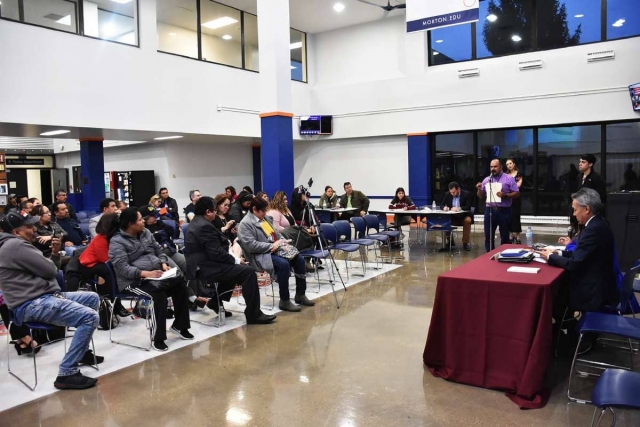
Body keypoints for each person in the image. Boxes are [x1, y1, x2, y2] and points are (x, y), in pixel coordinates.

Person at [0, 211, 103, 390]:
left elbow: (50, 268)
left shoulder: (14, 245)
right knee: (89, 317)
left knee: (91, 298)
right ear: (16, 232)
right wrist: (51, 261)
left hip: (41, 297)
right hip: (32, 303)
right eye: (29, 227)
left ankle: (81, 352)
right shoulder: (16, 246)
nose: (34, 230)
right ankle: (67, 372)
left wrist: (54, 252)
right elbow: (50, 270)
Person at [536, 189, 619, 351]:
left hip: (593, 290)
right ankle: (566, 329)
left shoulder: (593, 229)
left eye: (575, 209)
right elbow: (581, 253)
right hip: (599, 281)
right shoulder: (599, 223)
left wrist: (550, 258)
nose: (573, 214)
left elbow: (574, 263)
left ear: (586, 209)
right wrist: (558, 252)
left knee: (556, 294)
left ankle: (561, 336)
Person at [109, 208, 193, 351]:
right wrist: (146, 274)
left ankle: (180, 326)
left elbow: (159, 250)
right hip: (131, 281)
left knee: (180, 285)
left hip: (155, 274)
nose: (143, 221)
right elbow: (122, 268)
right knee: (157, 295)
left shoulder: (146, 233)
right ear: (131, 224)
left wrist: (163, 263)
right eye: (140, 219)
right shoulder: (117, 242)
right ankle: (157, 337)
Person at [184, 196, 276, 324]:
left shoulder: (198, 222)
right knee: (247, 272)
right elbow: (216, 253)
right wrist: (236, 260)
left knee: (236, 271)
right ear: (208, 212)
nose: (216, 213)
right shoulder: (204, 226)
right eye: (215, 210)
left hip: (204, 263)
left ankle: (215, 302)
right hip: (205, 267)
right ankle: (253, 314)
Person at [238, 197, 315, 312]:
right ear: (254, 209)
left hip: (276, 249)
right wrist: (271, 246)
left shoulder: (265, 219)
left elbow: (277, 235)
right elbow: (250, 246)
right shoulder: (245, 224)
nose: (265, 213)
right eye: (263, 210)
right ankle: (284, 300)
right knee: (283, 265)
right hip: (261, 254)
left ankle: (300, 294)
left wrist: (284, 241)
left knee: (299, 260)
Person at [75, 213, 129, 317]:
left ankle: (115, 300)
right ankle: (114, 301)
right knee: (111, 271)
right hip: (88, 265)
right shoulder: (101, 239)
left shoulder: (113, 237)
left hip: (99, 263)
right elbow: (105, 259)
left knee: (114, 270)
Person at [476, 159, 520, 252]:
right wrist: (479, 189)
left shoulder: (508, 178)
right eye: (491, 167)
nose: (493, 169)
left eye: (495, 167)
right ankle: (489, 253)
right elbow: (480, 196)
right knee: (488, 235)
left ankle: (504, 254)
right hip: (490, 210)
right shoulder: (487, 180)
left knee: (504, 235)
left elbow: (517, 193)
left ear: (501, 167)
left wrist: (505, 195)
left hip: (504, 210)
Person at [138, 205, 186, 273]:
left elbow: (171, 230)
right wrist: (159, 234)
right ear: (145, 218)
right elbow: (153, 241)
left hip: (171, 251)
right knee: (177, 272)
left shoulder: (159, 223)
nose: (156, 217)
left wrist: (158, 233)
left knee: (189, 265)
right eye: (153, 216)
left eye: (155, 214)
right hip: (160, 255)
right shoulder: (144, 230)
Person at [441, 182, 473, 252]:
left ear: (458, 189)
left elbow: (468, 207)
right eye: (451, 192)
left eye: (454, 192)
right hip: (452, 216)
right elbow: (442, 204)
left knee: (467, 220)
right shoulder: (447, 194)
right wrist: (444, 208)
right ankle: (450, 241)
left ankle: (465, 243)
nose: (452, 194)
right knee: (445, 220)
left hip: (463, 216)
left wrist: (458, 208)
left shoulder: (466, 194)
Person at [505, 159, 523, 244]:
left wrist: (510, 187)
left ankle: (518, 235)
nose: (509, 165)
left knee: (516, 216)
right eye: (507, 164)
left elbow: (518, 186)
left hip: (516, 198)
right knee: (509, 217)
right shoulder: (505, 175)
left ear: (514, 164)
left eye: (510, 163)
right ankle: (511, 235)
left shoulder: (518, 174)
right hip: (508, 199)